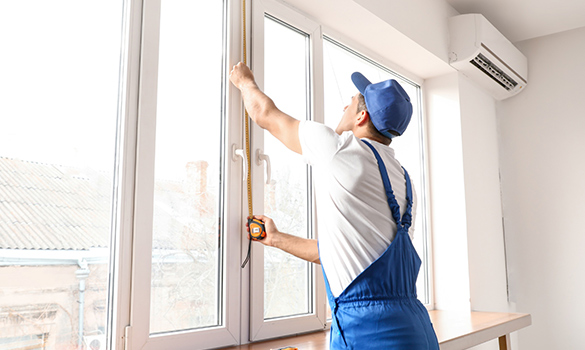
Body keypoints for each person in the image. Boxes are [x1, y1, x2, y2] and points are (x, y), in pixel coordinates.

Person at [230, 62, 439, 349]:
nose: (345, 106)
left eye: (351, 103)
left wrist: (244, 82)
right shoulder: (402, 180)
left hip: (368, 333)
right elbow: (350, 257)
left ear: (361, 116)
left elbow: (264, 114)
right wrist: (277, 239)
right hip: (417, 332)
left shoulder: (340, 150)